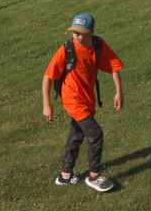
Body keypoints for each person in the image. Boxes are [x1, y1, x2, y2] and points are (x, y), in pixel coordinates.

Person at [42, 13, 123, 192]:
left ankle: (65, 177)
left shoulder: (98, 45)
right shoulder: (67, 49)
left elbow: (114, 67)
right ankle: (94, 176)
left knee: (76, 135)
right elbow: (48, 76)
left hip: (87, 99)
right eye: (74, 32)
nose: (76, 35)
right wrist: (46, 103)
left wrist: (119, 92)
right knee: (95, 133)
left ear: (91, 32)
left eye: (80, 32)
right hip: (72, 99)